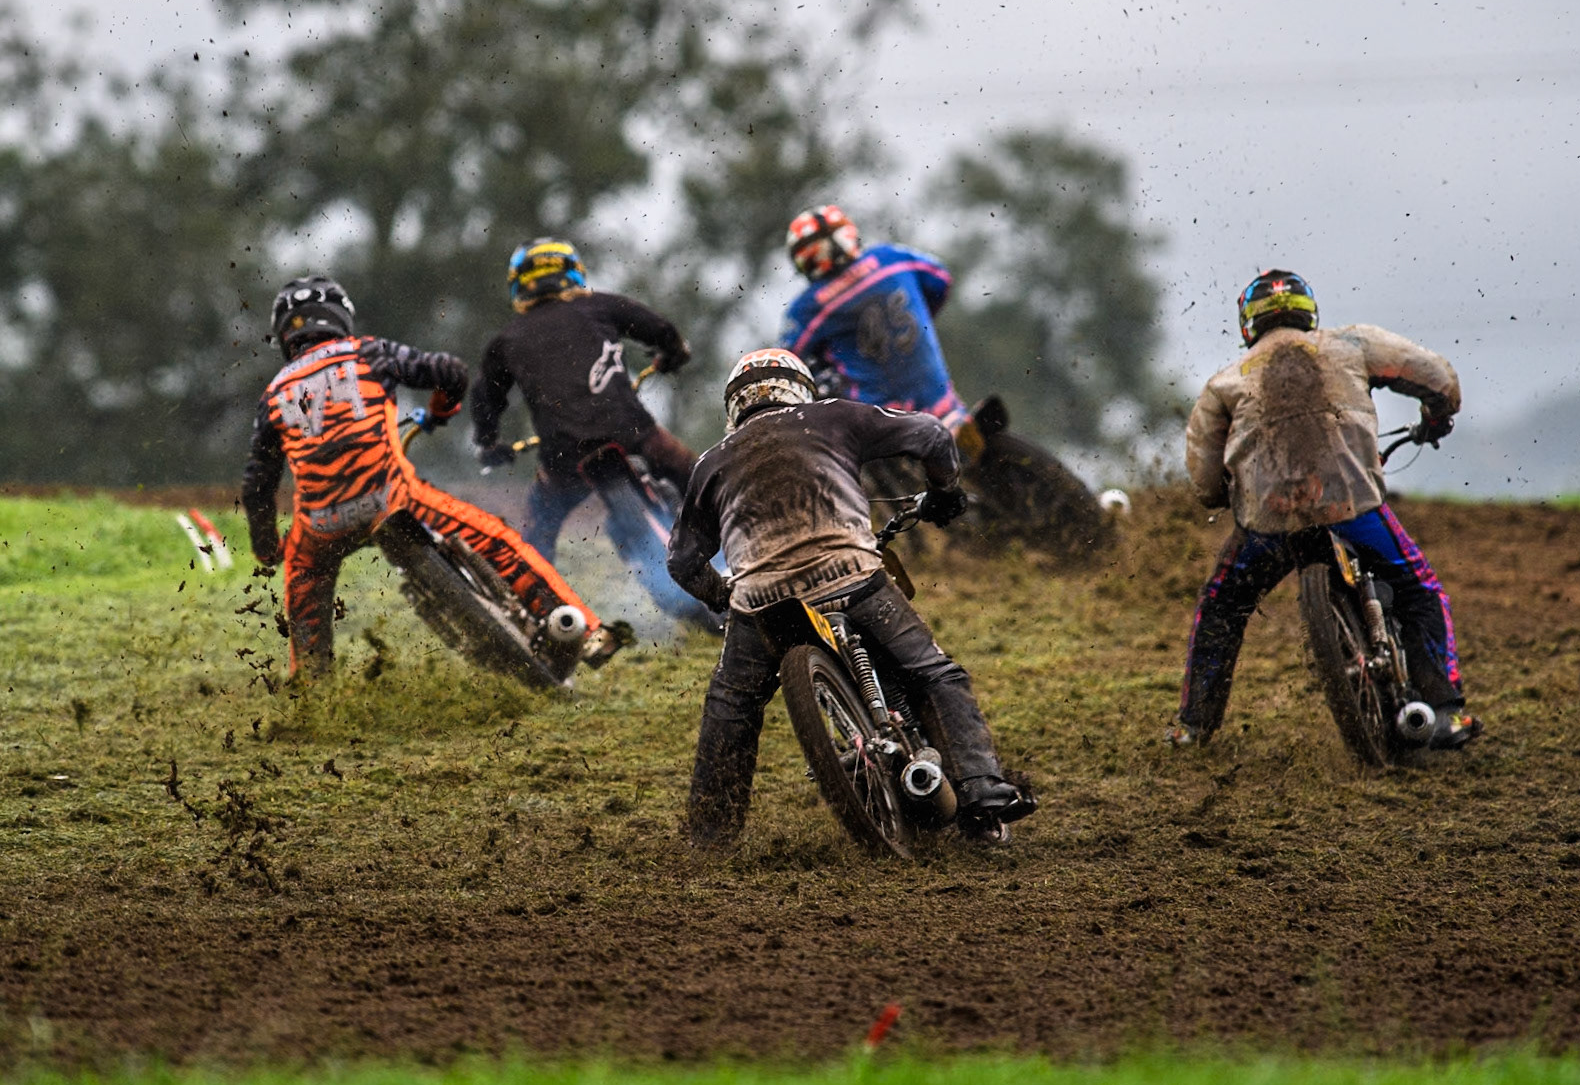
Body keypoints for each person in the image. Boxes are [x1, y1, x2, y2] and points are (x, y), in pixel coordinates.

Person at [666, 347, 1037, 848]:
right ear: (801, 387)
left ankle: (710, 837)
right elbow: (930, 433)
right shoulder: (834, 416)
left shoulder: (712, 462)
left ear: (735, 407)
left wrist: (721, 596)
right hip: (852, 577)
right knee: (935, 674)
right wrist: (946, 490)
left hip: (761, 601)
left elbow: (682, 561)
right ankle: (984, 791)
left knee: (730, 709)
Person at [241, 275, 626, 678]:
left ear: (285, 334)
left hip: (321, 523)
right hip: (393, 497)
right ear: (339, 318)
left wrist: (268, 549)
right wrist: (442, 409)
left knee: (304, 585)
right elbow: (449, 370)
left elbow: (257, 486)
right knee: (495, 539)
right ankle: (587, 634)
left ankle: (312, 684)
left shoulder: (272, 396)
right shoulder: (369, 352)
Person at [1174, 270, 1481, 750]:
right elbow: (1438, 379)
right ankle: (1446, 710)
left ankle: (1193, 727)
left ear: (1247, 325)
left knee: (1223, 605)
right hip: (1353, 505)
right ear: (1308, 311)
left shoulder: (1225, 383)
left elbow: (1204, 480)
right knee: (1419, 586)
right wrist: (1437, 417)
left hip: (1268, 522)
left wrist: (1222, 496)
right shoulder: (1352, 344)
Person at [469, 238, 716, 631]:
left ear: (520, 285)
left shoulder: (507, 340)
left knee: (537, 533)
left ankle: (534, 612)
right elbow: (661, 330)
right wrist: (673, 353)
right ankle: (741, 548)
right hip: (631, 431)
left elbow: (485, 399)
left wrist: (488, 444)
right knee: (697, 477)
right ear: (571, 272)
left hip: (563, 455)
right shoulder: (598, 305)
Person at [778, 205, 970, 432]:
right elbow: (941, 279)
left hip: (882, 425)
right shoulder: (890, 257)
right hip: (944, 404)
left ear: (804, 260)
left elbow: (788, 362)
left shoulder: (809, 307)